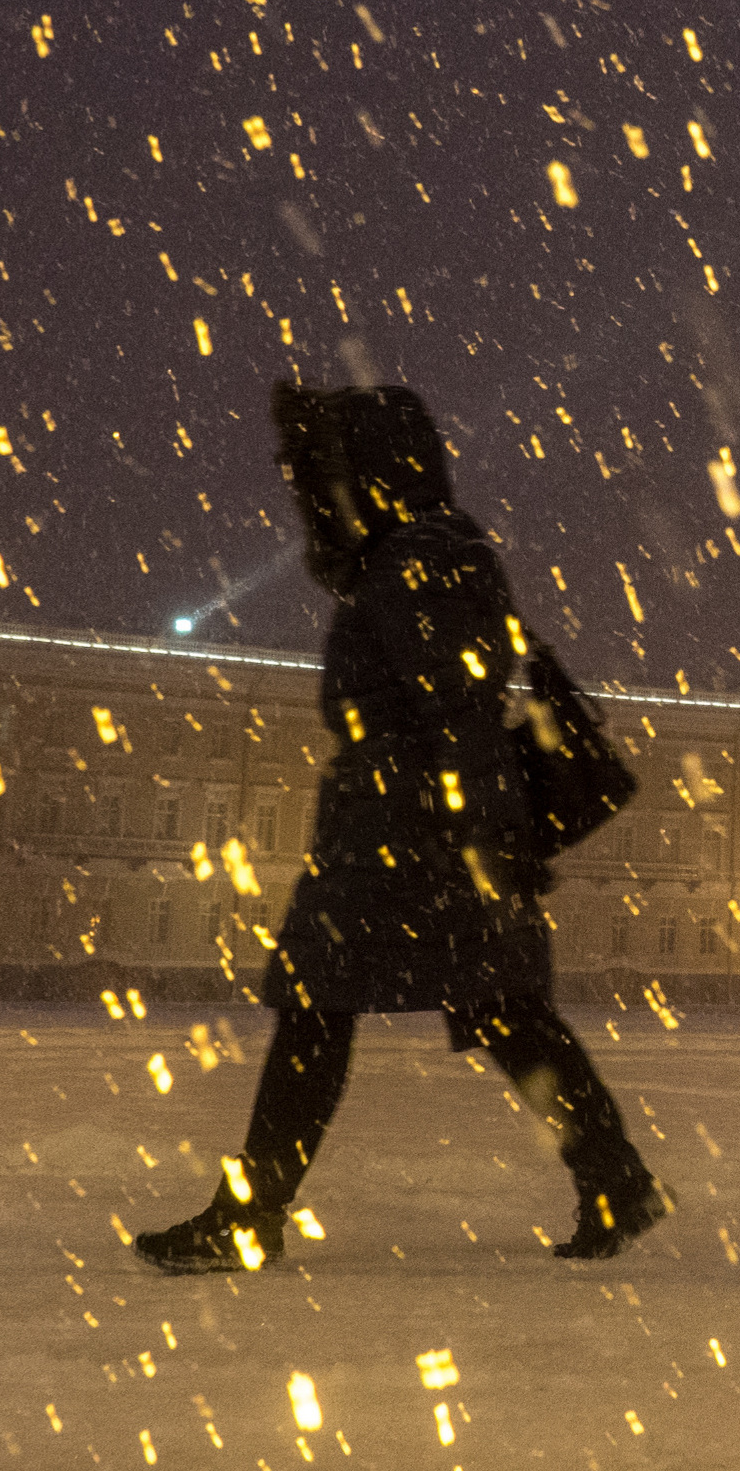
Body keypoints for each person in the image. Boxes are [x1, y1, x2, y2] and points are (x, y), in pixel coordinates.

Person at [134, 383, 663, 1275]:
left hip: (404, 834)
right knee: (499, 1014)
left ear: (370, 477)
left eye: (328, 479)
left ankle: (249, 1213)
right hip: (408, 827)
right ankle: (612, 1177)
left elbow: (457, 706)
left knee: (324, 1012)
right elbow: (462, 700)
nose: (315, 502)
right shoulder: (427, 556)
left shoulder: (418, 561)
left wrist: (484, 836)